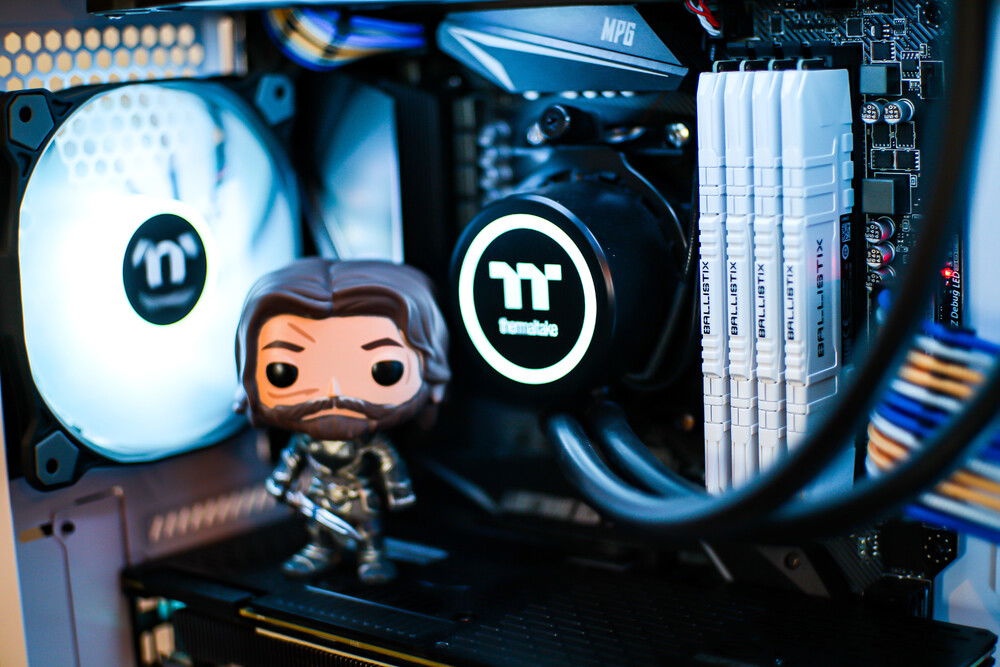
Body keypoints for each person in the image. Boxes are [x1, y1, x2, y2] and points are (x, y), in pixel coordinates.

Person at [235, 258, 450, 583]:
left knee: (368, 528)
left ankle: (372, 555)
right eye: (284, 371)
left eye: (384, 369)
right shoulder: (306, 441)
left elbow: (388, 461)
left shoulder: (371, 442)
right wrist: (281, 480)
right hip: (320, 492)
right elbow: (292, 458)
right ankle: (321, 549)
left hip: (359, 494)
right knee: (319, 529)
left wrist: (398, 490)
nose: (333, 391)